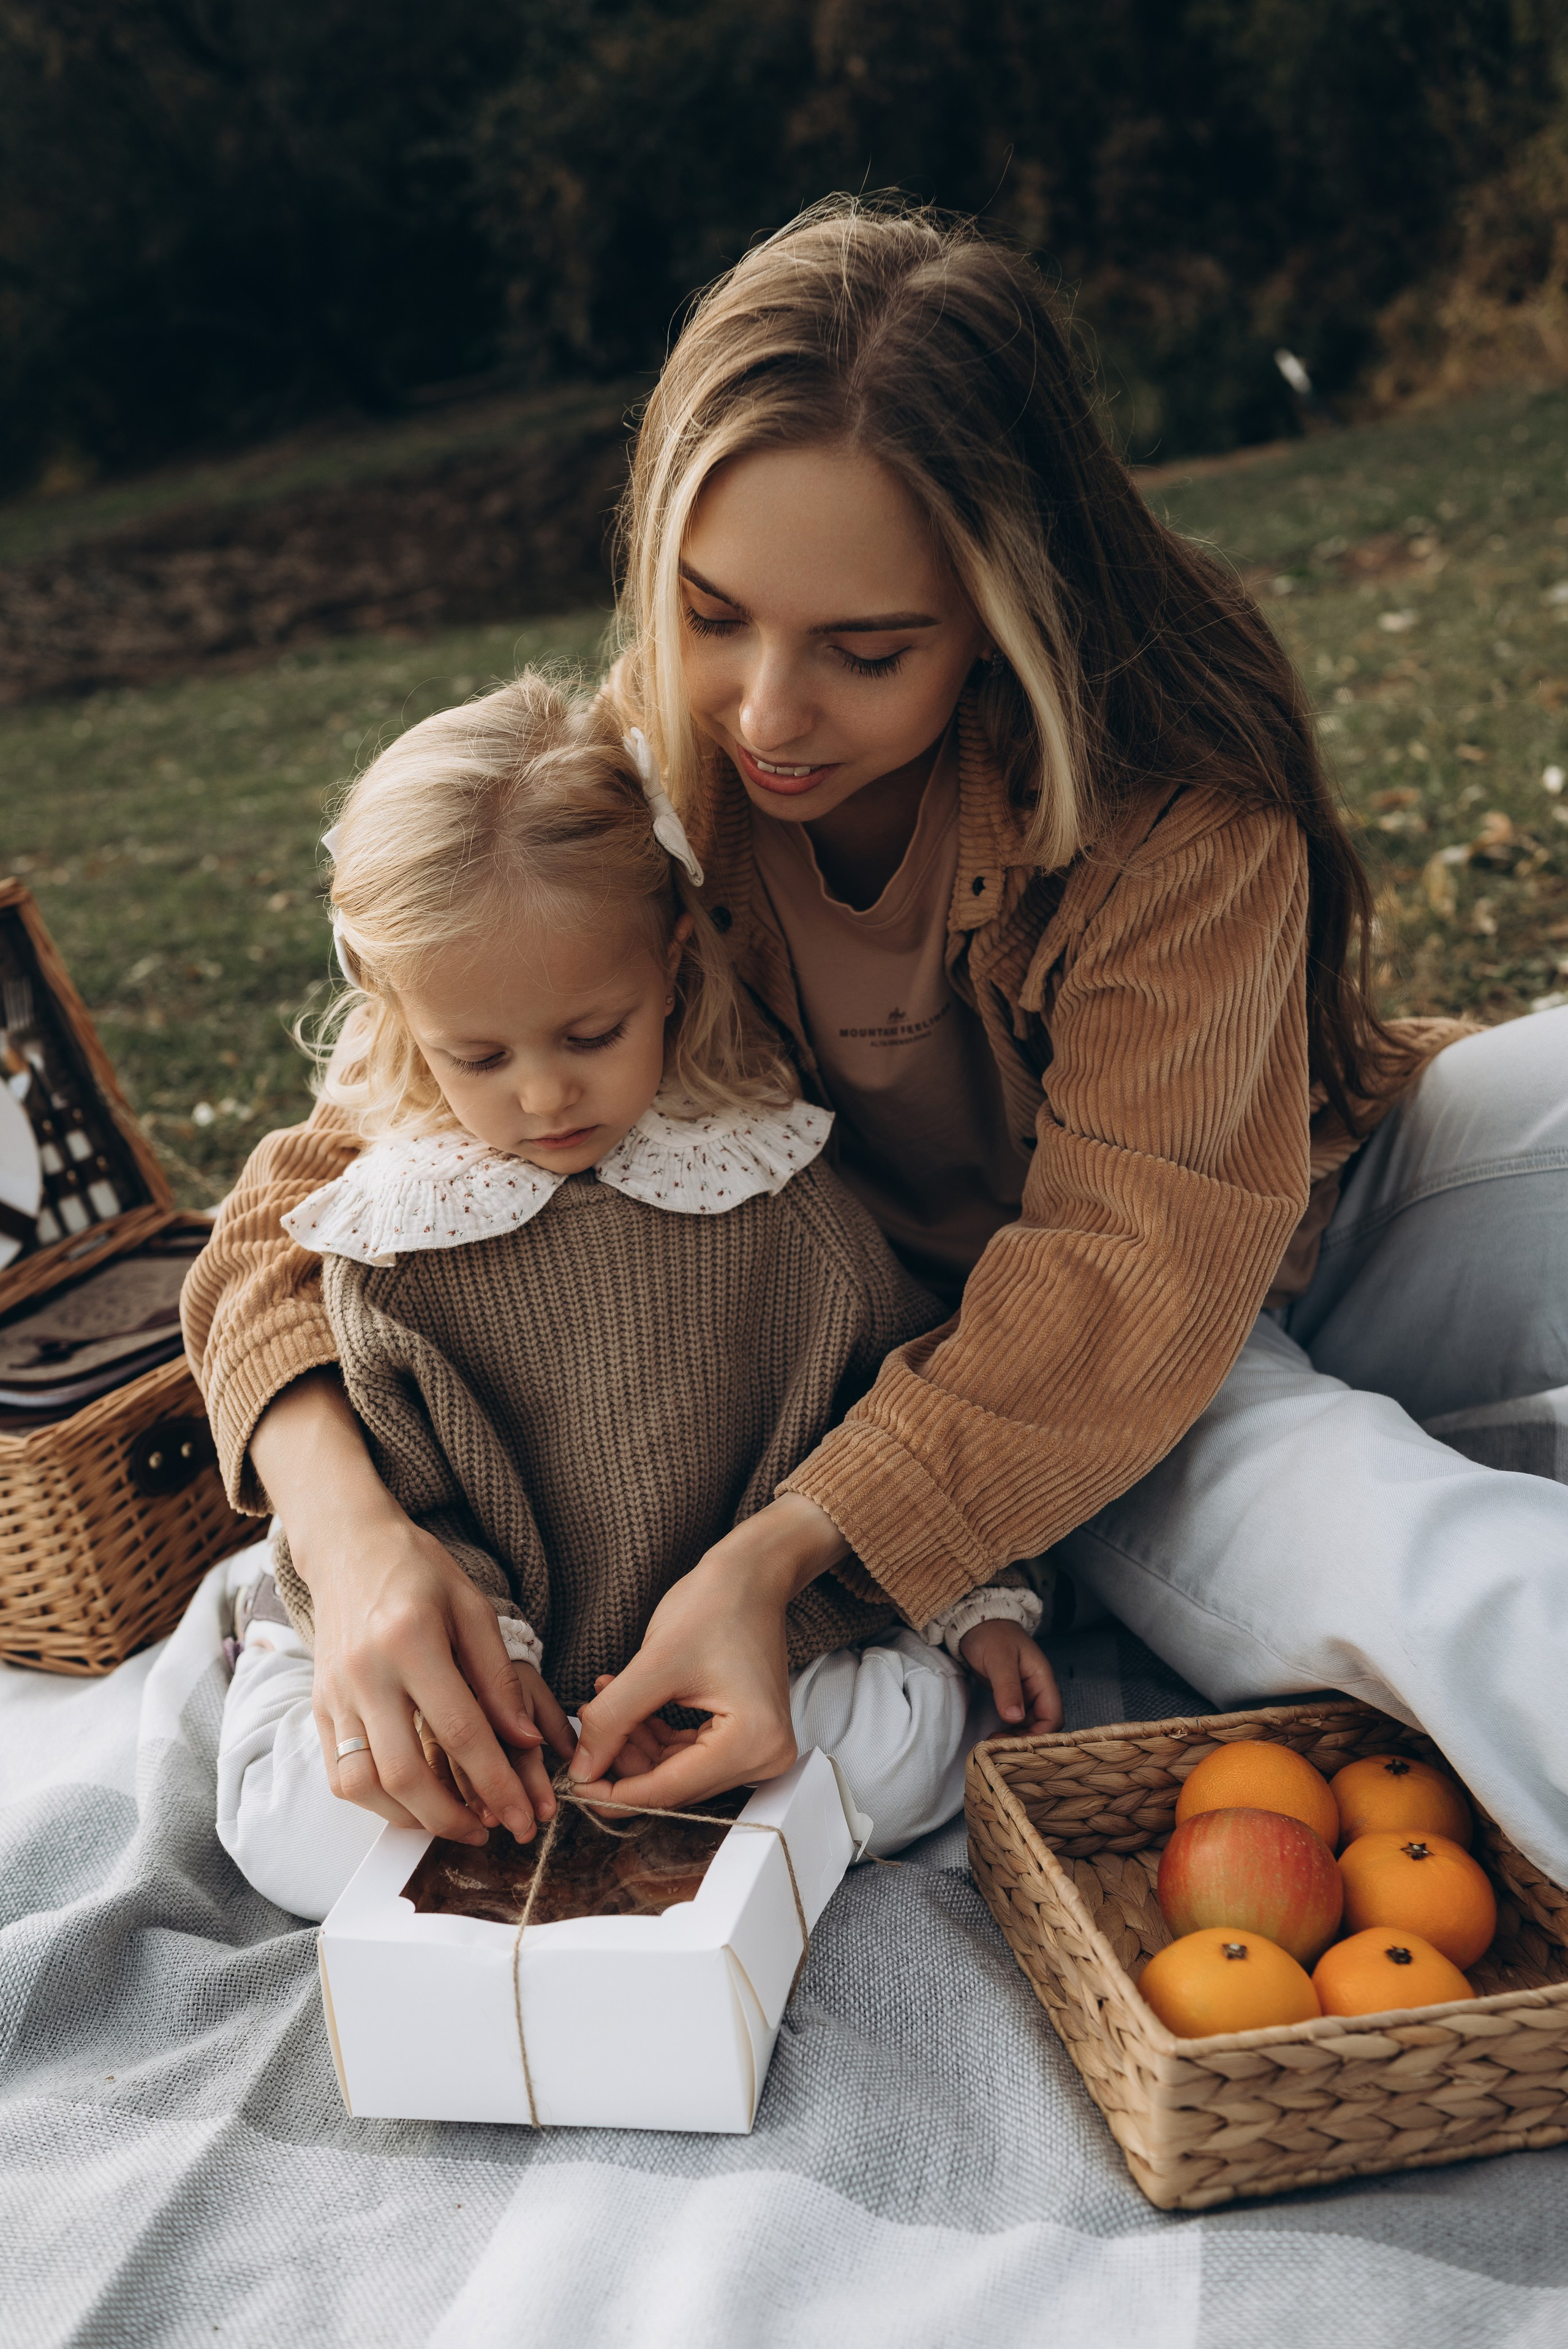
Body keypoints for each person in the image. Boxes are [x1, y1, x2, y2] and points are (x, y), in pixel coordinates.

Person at [185, 195, 1568, 1883]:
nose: (767, 711)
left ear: (1002, 608)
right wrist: (358, 1536)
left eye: (865, 648)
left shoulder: (1174, 813)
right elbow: (307, 1199)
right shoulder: (643, 790)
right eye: (711, 614)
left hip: (1322, 1198)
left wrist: (768, 1565)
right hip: (1063, 1389)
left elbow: (1168, 1221)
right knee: (1408, 1552)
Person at [213, 670, 1056, 1917]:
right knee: (294, 1831)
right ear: (402, 1019)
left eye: (591, 1033)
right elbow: (411, 1491)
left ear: (668, 960)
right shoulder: (396, 1238)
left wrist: (971, 1600)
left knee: (914, 1742)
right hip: (495, 1667)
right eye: (480, 1056)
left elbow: (892, 1406)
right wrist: (491, 1674)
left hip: (738, 1645)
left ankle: (663, 1774)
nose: (545, 1096)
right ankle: (312, 1666)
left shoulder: (769, 1190)